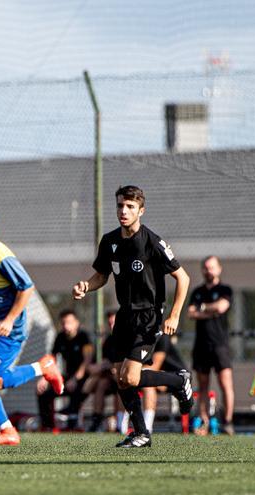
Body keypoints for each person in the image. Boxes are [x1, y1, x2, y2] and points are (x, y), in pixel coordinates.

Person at [72, 185, 193, 448]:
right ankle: (141, 433)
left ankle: (178, 380)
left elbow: (183, 278)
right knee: (118, 374)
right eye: (120, 205)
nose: (123, 211)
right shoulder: (110, 241)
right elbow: (101, 276)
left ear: (141, 210)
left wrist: (174, 315)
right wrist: (86, 286)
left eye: (129, 206)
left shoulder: (152, 242)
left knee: (131, 378)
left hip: (148, 316)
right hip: (124, 315)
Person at [0, 202, 64, 446]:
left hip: (10, 326)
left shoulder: (0, 254)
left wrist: (9, 320)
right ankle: (8, 431)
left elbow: (26, 287)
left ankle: (44, 367)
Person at [186, 255, 235, 435]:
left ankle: (228, 422)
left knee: (225, 384)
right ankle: (203, 422)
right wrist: (209, 310)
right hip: (201, 345)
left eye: (212, 267)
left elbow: (222, 307)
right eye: (206, 268)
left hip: (220, 345)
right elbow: (191, 313)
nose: (209, 271)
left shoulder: (225, 289)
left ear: (219, 269)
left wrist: (203, 309)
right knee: (203, 385)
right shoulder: (197, 291)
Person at [36, 310, 93, 431]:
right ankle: (48, 426)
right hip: (67, 376)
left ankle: (72, 425)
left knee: (76, 389)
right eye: (63, 323)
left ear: (76, 323)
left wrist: (75, 379)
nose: (66, 325)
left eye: (69, 322)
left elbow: (87, 360)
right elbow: (52, 359)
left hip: (83, 377)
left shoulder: (84, 337)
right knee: (43, 391)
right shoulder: (60, 337)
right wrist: (45, 378)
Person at [141, 333, 188, 433]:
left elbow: (155, 366)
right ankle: (120, 426)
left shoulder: (162, 337)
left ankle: (146, 429)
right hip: (154, 375)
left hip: (176, 377)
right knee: (123, 382)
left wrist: (131, 371)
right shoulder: (138, 338)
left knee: (148, 384)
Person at [83, 310, 121, 432]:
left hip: (123, 376)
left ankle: (120, 423)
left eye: (114, 322)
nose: (111, 325)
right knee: (100, 384)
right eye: (109, 323)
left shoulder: (127, 337)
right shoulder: (108, 341)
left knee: (119, 386)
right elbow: (104, 362)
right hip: (112, 376)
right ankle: (97, 418)